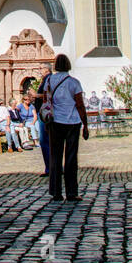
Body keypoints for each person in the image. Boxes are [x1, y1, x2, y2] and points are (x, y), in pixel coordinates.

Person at [42, 55, 87, 201]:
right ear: (68, 65)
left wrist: (47, 120)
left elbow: (45, 100)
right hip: (72, 122)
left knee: (55, 157)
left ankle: (56, 192)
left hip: (55, 122)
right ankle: (72, 192)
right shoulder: (74, 83)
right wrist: (85, 124)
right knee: (71, 158)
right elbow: (80, 104)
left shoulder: (49, 80)